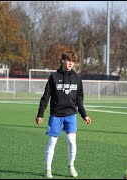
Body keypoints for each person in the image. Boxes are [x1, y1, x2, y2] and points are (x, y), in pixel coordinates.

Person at [35, 50, 92, 178]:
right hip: (56, 115)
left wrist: (84, 115)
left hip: (71, 114)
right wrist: (40, 114)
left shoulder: (77, 78)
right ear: (62, 61)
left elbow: (79, 100)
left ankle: (71, 165)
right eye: (68, 61)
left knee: (72, 141)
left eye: (73, 61)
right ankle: (48, 169)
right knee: (52, 142)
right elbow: (46, 97)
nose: (70, 63)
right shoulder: (53, 77)